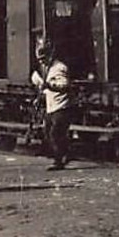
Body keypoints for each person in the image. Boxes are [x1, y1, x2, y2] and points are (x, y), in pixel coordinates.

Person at [32, 41, 73, 170]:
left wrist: (49, 86)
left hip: (61, 106)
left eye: (43, 59)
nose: (41, 62)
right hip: (51, 106)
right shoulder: (46, 68)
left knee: (55, 133)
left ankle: (59, 161)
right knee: (47, 133)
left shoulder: (59, 68)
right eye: (39, 60)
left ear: (50, 56)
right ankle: (64, 154)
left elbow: (64, 85)